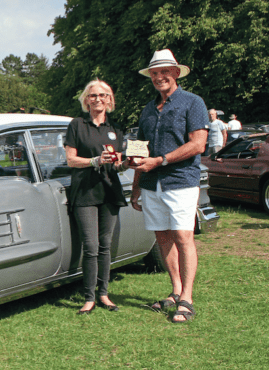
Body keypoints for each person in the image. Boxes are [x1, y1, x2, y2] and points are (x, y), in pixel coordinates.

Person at [130, 49, 208, 323]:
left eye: (164, 72)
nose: (159, 77)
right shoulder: (148, 109)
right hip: (151, 184)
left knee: (183, 237)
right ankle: (175, 290)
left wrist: (160, 161)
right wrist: (136, 186)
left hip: (180, 182)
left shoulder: (192, 102)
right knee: (162, 238)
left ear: (176, 73)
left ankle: (187, 298)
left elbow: (198, 144)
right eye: (154, 73)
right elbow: (139, 151)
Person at [65, 79, 129, 315]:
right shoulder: (77, 125)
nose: (98, 99)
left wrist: (128, 163)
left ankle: (104, 293)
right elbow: (71, 160)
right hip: (85, 192)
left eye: (103, 95)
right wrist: (94, 161)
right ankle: (89, 297)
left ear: (109, 99)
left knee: (105, 246)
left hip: (110, 192)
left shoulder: (115, 129)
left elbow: (118, 165)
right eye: (93, 95)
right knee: (90, 247)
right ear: (86, 100)